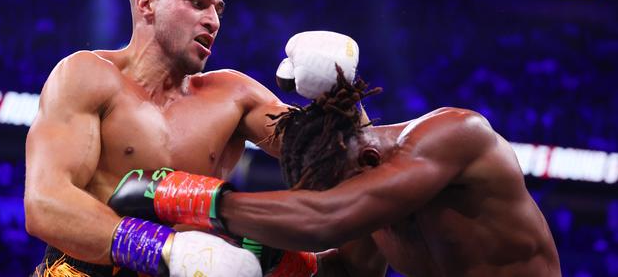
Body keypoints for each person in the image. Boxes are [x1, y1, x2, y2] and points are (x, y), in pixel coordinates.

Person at [24, 0, 359, 276]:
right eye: (197, 3)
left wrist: (343, 92)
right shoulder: (88, 75)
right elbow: (45, 204)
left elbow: (347, 156)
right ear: (147, 4)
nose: (212, 21)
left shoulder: (233, 95)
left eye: (218, 10)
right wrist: (164, 250)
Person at [127, 68, 562, 276]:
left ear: (369, 163)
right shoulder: (369, 199)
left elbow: (324, 217)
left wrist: (181, 194)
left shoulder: (456, 134)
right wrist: (272, 262)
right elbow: (351, 272)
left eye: (331, 190)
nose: (329, 198)